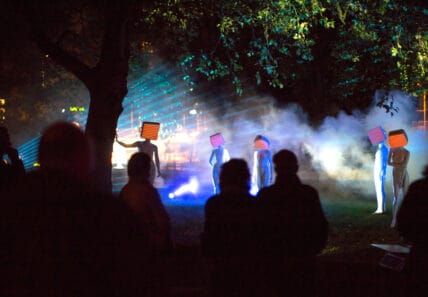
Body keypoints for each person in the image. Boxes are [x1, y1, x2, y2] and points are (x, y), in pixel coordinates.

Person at [0, 121, 149, 297]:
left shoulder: (11, 206)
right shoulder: (109, 214)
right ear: (85, 160)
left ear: (41, 157)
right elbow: (137, 276)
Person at [257, 149, 328, 297]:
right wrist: (311, 251)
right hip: (304, 261)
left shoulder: (266, 196)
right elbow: (321, 227)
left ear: (276, 168)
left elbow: (256, 230)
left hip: (273, 263)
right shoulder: (308, 194)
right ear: (296, 168)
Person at [201, 159, 262, 297]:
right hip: (249, 268)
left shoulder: (214, 204)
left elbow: (209, 237)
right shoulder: (254, 204)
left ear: (223, 178)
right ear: (245, 177)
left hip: (221, 267)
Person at [119, 152, 172, 252]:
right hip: (148, 245)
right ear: (146, 170)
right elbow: (163, 222)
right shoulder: (148, 191)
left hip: (130, 244)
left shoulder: (125, 190)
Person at [396, 165, 428, 296]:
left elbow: (404, 217)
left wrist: (410, 235)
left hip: (420, 249)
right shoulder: (418, 187)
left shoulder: (419, 186)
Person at [388, 145, 410, 227]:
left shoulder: (407, 152)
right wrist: (398, 165)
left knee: (405, 197)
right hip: (396, 175)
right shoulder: (392, 150)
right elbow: (388, 162)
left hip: (404, 175)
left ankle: (406, 218)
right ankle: (394, 219)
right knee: (396, 197)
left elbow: (404, 165)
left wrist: (394, 164)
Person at [0, 126, 25, 192]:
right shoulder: (3, 168)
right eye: (7, 139)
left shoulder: (3, 165)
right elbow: (20, 184)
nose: (10, 143)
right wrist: (16, 160)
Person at [373, 141, 388, 214]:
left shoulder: (384, 149)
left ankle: (380, 209)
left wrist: (383, 171)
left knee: (380, 190)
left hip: (380, 171)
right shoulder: (379, 149)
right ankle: (382, 208)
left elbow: (385, 161)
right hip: (377, 170)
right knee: (380, 189)